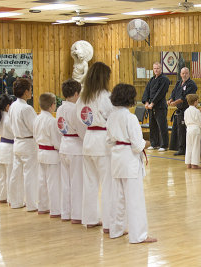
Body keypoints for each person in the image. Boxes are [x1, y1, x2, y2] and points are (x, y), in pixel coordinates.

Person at [107, 83, 157, 243]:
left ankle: (116, 230)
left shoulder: (111, 116)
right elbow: (137, 145)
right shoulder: (130, 117)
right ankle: (139, 235)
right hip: (129, 159)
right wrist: (148, 143)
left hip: (116, 157)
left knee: (118, 197)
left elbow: (108, 140)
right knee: (134, 199)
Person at [76, 62, 113, 231]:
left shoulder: (83, 96)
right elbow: (112, 119)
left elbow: (80, 120)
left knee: (90, 182)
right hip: (102, 140)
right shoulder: (105, 96)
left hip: (88, 139)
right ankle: (108, 222)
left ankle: (90, 218)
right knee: (107, 183)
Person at [56, 79, 86, 224]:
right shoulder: (75, 109)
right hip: (75, 147)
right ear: (76, 93)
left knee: (66, 182)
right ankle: (77, 215)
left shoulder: (60, 109)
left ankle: (66, 213)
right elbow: (82, 130)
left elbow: (59, 127)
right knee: (77, 182)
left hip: (64, 145)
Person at [8, 78, 38, 211]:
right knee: (30, 174)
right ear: (26, 92)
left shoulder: (13, 105)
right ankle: (31, 204)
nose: (31, 92)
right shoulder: (26, 108)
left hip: (17, 142)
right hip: (27, 142)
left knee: (16, 174)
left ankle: (15, 201)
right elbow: (34, 128)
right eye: (30, 90)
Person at [34, 93, 61, 217]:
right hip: (51, 153)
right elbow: (56, 141)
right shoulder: (52, 121)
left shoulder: (37, 118)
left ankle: (43, 206)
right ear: (51, 106)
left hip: (40, 152)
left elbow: (35, 136)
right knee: (53, 182)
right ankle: (55, 210)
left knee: (41, 181)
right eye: (55, 103)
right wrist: (61, 147)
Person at [167, 67, 197, 155]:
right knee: (180, 130)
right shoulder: (178, 83)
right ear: (180, 74)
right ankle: (181, 148)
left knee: (187, 130)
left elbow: (186, 97)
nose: (184, 75)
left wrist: (175, 102)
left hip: (188, 110)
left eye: (186, 73)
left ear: (189, 74)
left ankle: (187, 149)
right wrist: (170, 99)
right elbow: (173, 93)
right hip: (180, 111)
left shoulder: (192, 84)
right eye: (183, 73)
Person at [142, 62, 170, 152]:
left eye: (157, 68)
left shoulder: (165, 79)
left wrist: (153, 103)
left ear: (161, 69)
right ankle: (154, 143)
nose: (156, 70)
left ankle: (164, 145)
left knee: (162, 126)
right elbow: (147, 91)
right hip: (151, 107)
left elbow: (160, 93)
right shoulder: (152, 79)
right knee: (152, 125)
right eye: (154, 68)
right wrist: (146, 102)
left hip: (160, 106)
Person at [0, 94, 14, 204]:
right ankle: (11, 199)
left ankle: (2, 197)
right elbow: (14, 132)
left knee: (2, 175)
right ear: (7, 106)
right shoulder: (8, 118)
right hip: (10, 147)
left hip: (1, 146)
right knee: (10, 175)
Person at [184, 94, 201, 169]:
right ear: (195, 102)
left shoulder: (186, 111)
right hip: (196, 129)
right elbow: (200, 122)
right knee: (196, 146)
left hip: (188, 129)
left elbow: (185, 121)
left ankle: (188, 163)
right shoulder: (197, 111)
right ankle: (194, 164)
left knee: (189, 146)